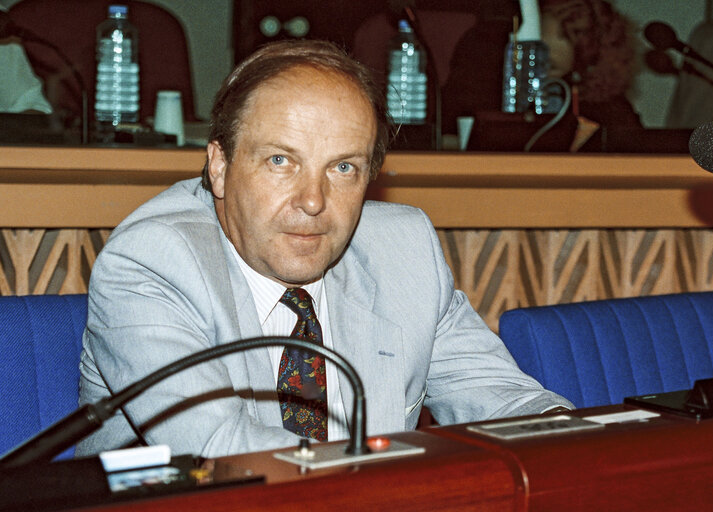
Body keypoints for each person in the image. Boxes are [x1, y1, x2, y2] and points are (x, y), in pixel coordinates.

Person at [76, 39, 573, 459]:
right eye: (280, 161)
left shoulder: (402, 249)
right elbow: (221, 450)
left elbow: (498, 396)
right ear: (220, 167)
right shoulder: (153, 262)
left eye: (343, 168)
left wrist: (574, 439)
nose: (313, 201)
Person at [442, 0, 641, 142]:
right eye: (542, 35)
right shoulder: (491, 90)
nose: (547, 48)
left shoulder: (612, 111)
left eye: (564, 37)